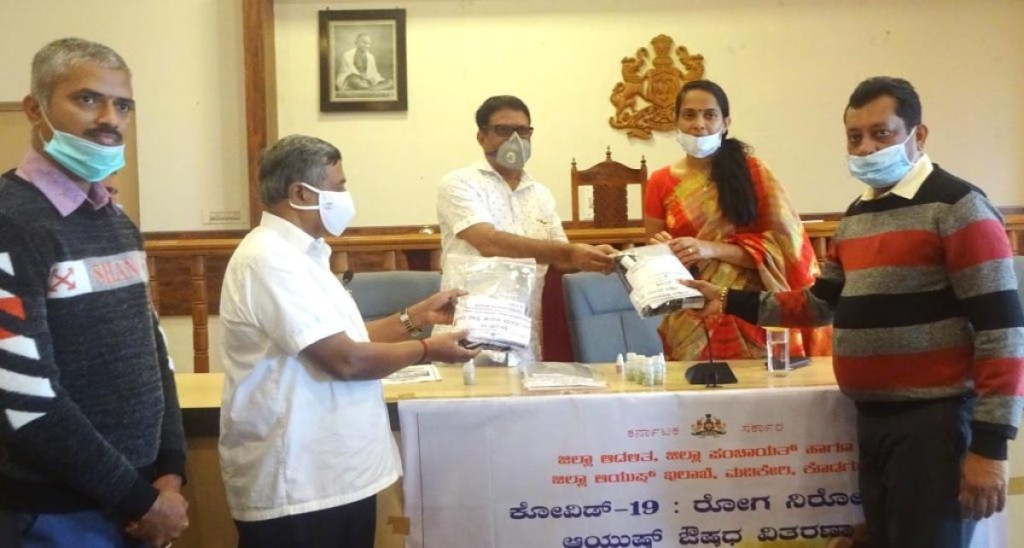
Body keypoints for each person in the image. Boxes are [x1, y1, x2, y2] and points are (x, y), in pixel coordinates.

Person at [684, 76, 1023, 548]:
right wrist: (723, 299)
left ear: (917, 136)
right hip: (871, 420)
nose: (865, 148)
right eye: (854, 136)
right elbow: (819, 303)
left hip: (935, 424)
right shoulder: (857, 216)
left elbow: (1001, 330)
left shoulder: (959, 207)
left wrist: (990, 447)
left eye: (881, 133)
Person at [218, 135, 478, 548]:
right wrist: (431, 349)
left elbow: (348, 339)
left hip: (337, 475)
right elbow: (346, 360)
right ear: (301, 193)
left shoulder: (308, 255)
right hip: (299, 484)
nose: (345, 196)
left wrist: (419, 317)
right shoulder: (269, 259)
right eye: (338, 187)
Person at [0, 38, 189, 547]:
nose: (109, 117)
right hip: (58, 514)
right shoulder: (9, 220)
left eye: (122, 104)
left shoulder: (115, 220)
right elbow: (24, 398)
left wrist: (170, 469)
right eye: (87, 99)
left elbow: (155, 357)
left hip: (140, 500)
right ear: (35, 110)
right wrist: (138, 499)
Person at [644, 79, 828, 361]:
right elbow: (654, 255)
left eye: (710, 115)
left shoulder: (753, 173)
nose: (699, 124)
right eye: (689, 115)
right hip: (690, 311)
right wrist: (662, 248)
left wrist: (709, 248)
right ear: (676, 122)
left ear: (726, 122)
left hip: (750, 308)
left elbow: (784, 249)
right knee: (693, 400)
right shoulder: (659, 181)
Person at [436, 95, 616, 364]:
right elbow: (489, 243)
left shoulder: (540, 194)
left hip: (523, 335)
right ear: (481, 137)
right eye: (503, 130)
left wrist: (596, 256)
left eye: (522, 131)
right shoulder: (459, 183)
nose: (515, 139)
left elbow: (562, 260)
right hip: (467, 335)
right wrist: (569, 252)